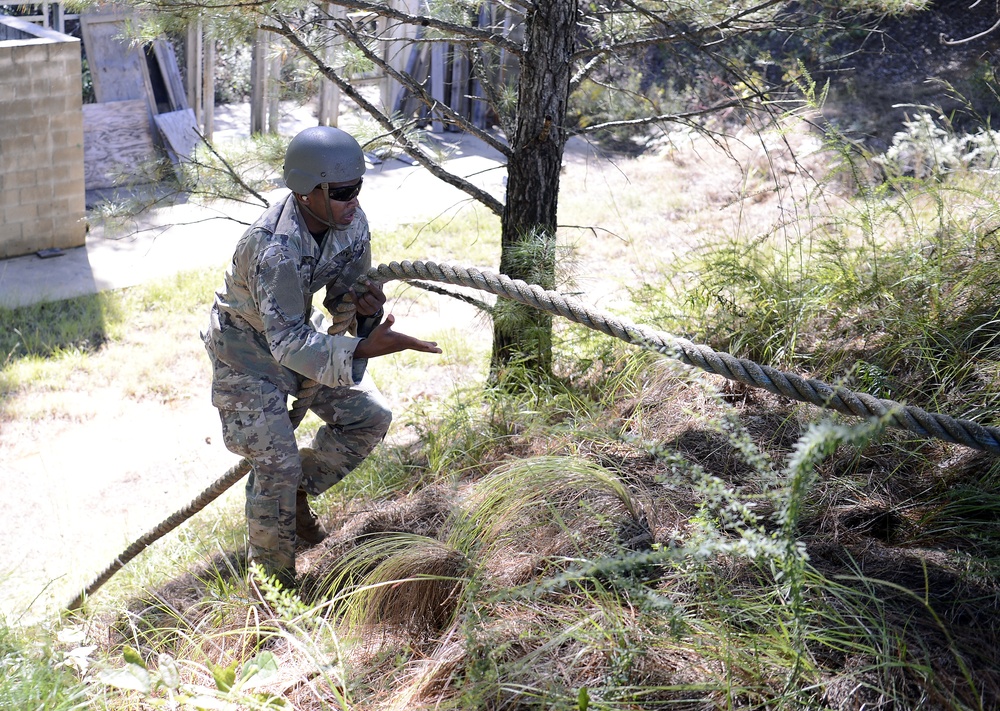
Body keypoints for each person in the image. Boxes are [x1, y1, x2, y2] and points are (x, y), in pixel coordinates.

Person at [203, 126, 442, 589]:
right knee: (274, 464)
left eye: (358, 188)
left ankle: (292, 494)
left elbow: (342, 302)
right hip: (244, 357)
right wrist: (362, 348)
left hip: (295, 340)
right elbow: (286, 343)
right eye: (342, 192)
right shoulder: (275, 249)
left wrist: (365, 315)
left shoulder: (350, 223)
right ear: (307, 191)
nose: (354, 200)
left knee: (369, 418)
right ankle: (274, 594)